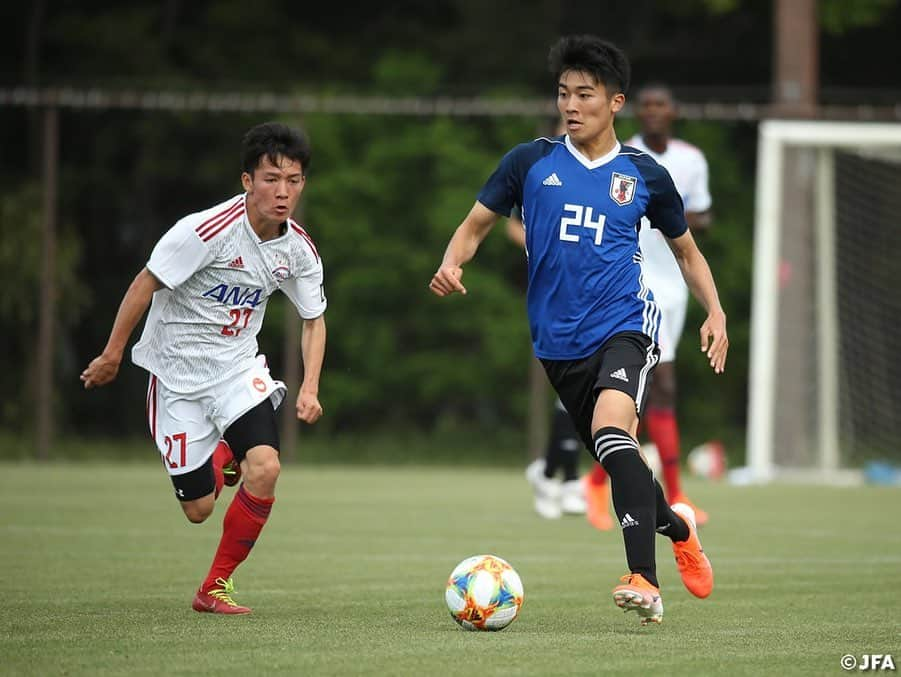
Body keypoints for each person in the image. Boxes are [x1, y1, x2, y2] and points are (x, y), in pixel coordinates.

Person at [430, 35, 728, 625]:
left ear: (615, 101)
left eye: (584, 94)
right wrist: (451, 261)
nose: (571, 104)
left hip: (625, 324)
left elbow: (688, 254)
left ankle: (644, 578)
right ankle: (677, 525)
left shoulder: (644, 175)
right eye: (564, 93)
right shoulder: (529, 162)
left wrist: (715, 312)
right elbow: (476, 224)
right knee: (619, 459)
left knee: (615, 433)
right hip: (556, 343)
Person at [81, 122, 327, 615]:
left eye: (293, 180)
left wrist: (310, 388)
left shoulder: (298, 249)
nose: (282, 192)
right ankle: (220, 456)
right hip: (176, 377)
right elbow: (145, 283)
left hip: (237, 370)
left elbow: (314, 319)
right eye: (271, 178)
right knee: (198, 510)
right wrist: (112, 353)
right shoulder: (204, 231)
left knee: (267, 467)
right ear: (246, 181)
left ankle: (213, 588)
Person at [584, 83, 714, 530]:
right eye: (648, 105)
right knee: (645, 389)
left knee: (661, 389)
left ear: (674, 110)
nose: (655, 111)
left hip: (674, 288)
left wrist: (669, 209)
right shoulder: (622, 157)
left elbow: (702, 218)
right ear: (636, 112)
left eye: (663, 104)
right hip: (634, 284)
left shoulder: (691, 160)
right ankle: (606, 486)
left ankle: (649, 491)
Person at [508, 199, 587, 519]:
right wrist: (547, 245)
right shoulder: (543, 165)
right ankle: (566, 478)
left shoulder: (608, 171)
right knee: (576, 385)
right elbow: (513, 225)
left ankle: (551, 472)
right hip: (556, 297)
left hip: (597, 295)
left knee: (585, 387)